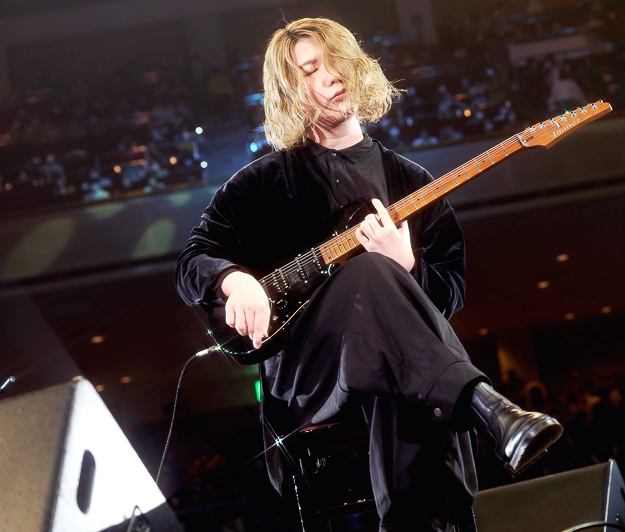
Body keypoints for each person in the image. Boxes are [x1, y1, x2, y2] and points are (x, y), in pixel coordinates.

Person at [175, 18, 562, 532]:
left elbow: (450, 293)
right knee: (372, 281)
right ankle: (486, 406)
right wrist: (234, 280)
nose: (330, 76)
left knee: (396, 360)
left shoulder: (412, 181)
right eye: (310, 70)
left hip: (393, 361)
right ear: (291, 91)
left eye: (336, 62)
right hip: (309, 375)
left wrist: (409, 267)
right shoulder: (262, 183)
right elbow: (193, 259)